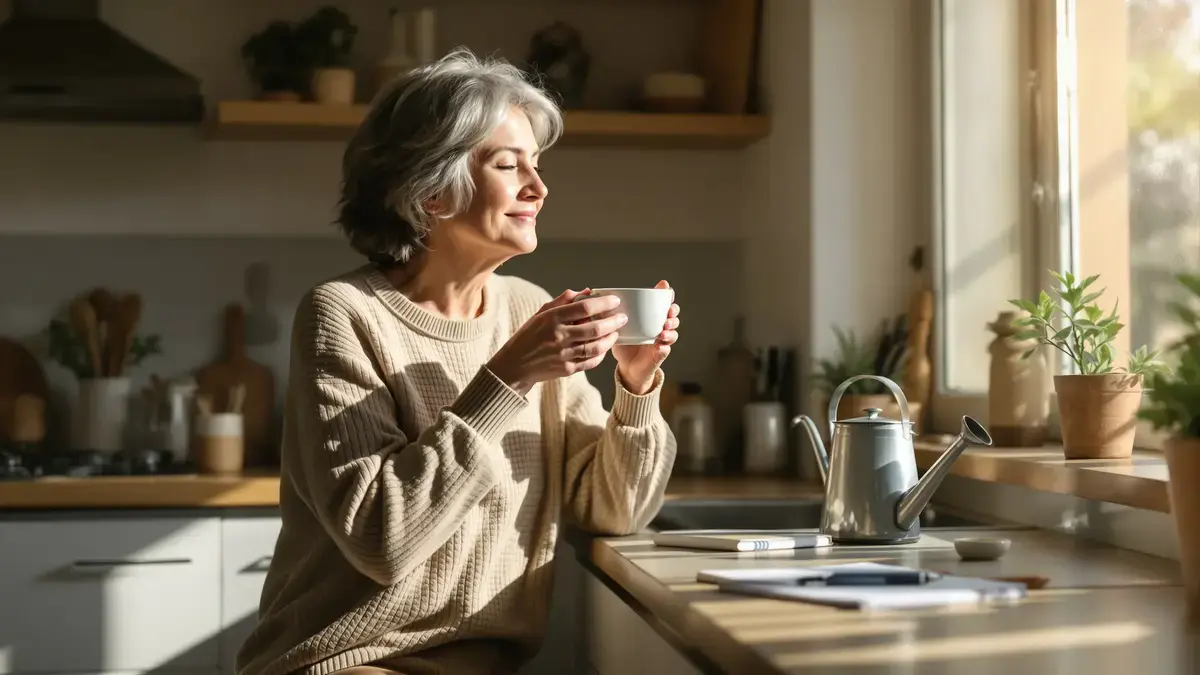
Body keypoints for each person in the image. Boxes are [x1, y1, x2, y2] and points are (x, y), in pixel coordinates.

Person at [235, 47, 680, 675]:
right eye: (508, 164)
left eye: (537, 163)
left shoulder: (529, 311)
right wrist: (509, 378)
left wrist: (635, 385)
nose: (538, 186)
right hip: (344, 664)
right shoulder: (344, 313)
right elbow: (383, 541)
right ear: (432, 193)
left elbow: (615, 511)